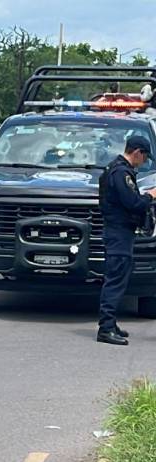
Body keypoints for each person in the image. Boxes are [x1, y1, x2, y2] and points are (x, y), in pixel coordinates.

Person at [97, 136, 156, 345]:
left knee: (118, 278)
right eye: (144, 156)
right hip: (118, 233)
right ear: (137, 152)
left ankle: (110, 324)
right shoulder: (121, 173)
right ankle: (105, 328)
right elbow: (133, 203)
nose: (144, 161)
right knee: (115, 280)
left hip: (119, 232)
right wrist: (151, 195)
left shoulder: (114, 168)